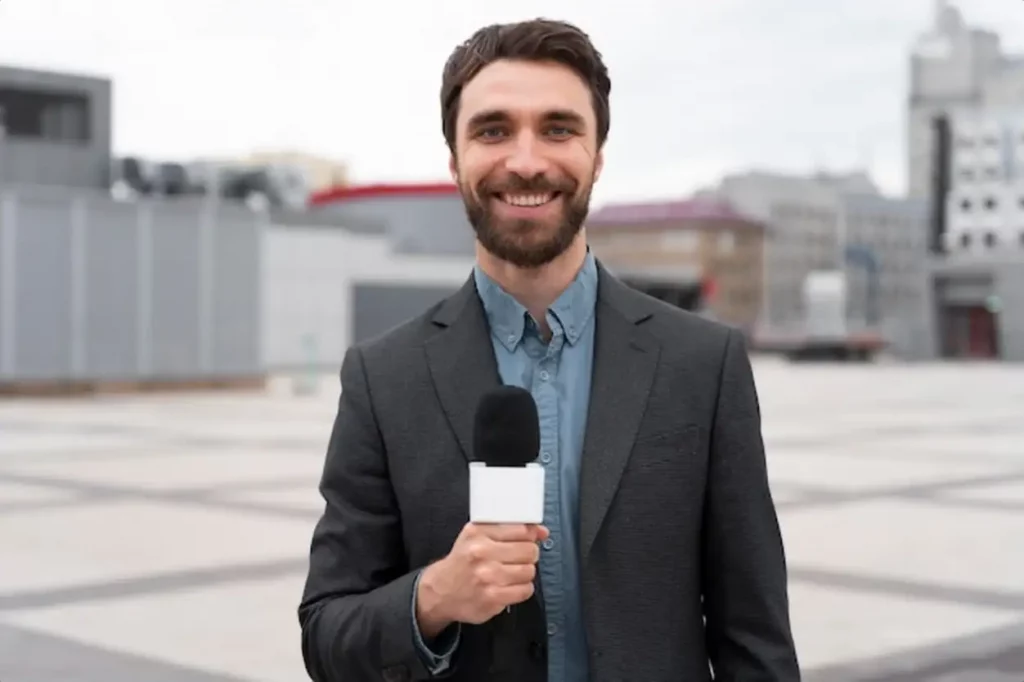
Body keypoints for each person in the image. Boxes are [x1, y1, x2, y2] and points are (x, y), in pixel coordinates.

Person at [298, 17, 801, 682]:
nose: (527, 161)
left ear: (597, 155)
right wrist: (434, 598)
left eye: (558, 129)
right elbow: (326, 636)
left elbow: (755, 642)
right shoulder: (382, 376)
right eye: (493, 130)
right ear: (454, 160)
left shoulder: (703, 365)